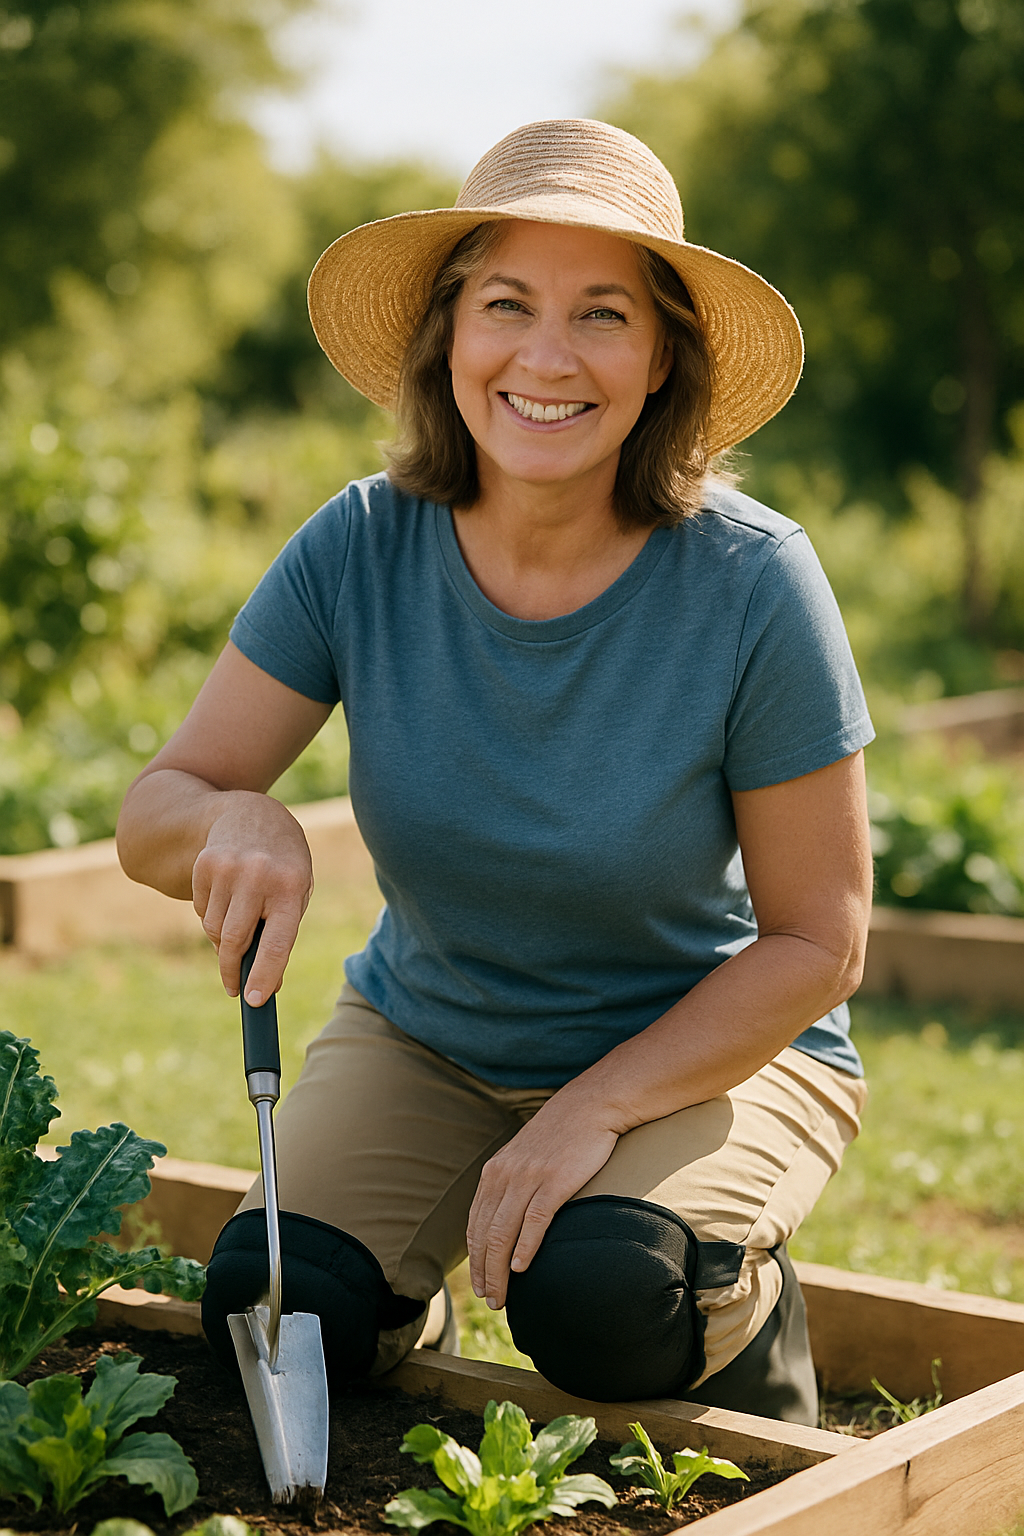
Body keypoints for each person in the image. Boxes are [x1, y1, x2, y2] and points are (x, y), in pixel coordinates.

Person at [117, 118, 874, 1425]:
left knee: (607, 1300)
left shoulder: (755, 583)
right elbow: (153, 813)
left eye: (601, 314)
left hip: (704, 1050)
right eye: (506, 303)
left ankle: (746, 1328)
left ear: (660, 363)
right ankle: (414, 1284)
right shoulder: (360, 546)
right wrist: (237, 817)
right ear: (451, 336)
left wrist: (596, 1107)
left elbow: (822, 940)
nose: (545, 355)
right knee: (272, 1303)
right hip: (434, 1035)